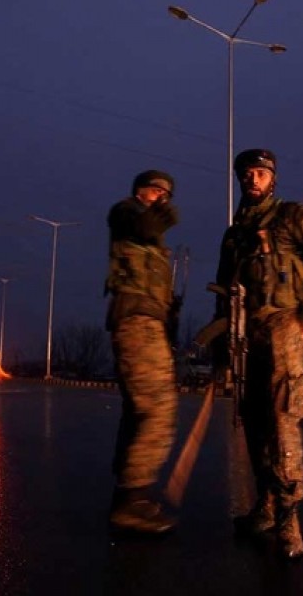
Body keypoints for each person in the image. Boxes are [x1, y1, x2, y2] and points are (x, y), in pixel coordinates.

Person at [214, 149, 303, 559]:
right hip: (245, 335)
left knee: (282, 421)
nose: (251, 180)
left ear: (272, 178)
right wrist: (221, 349)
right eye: (245, 174)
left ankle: (290, 517)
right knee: (253, 421)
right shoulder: (234, 235)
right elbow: (223, 291)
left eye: (259, 173)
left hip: (283, 330)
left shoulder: (291, 217)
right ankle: (267, 506)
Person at [104, 169, 180, 534]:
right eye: (155, 191)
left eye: (167, 193)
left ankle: (127, 493)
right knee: (158, 408)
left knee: (138, 410)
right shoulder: (125, 213)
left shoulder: (156, 245)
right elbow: (138, 225)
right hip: (134, 319)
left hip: (148, 322)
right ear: (139, 192)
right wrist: (153, 214)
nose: (162, 196)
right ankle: (133, 501)